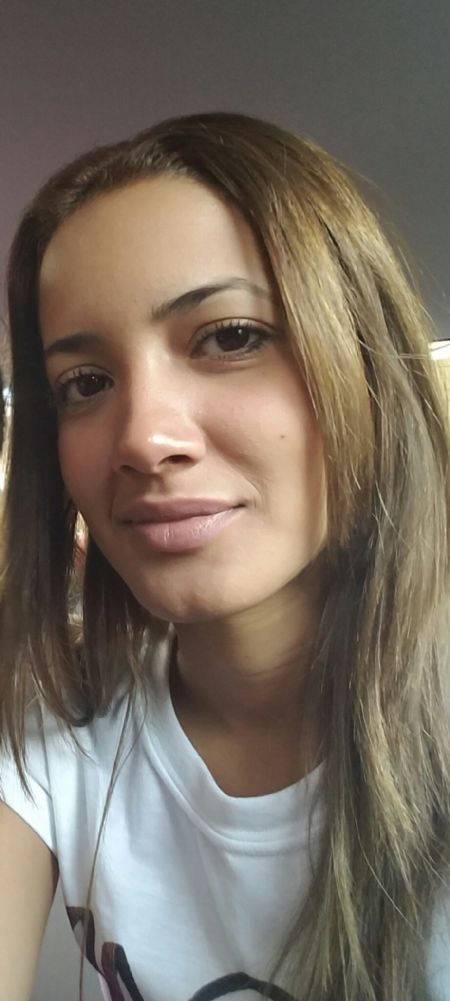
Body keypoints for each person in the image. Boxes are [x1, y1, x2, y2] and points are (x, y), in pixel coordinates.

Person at [0, 112, 449, 1001]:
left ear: (366, 369)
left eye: (232, 336)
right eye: (85, 383)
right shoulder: (51, 732)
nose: (143, 437)